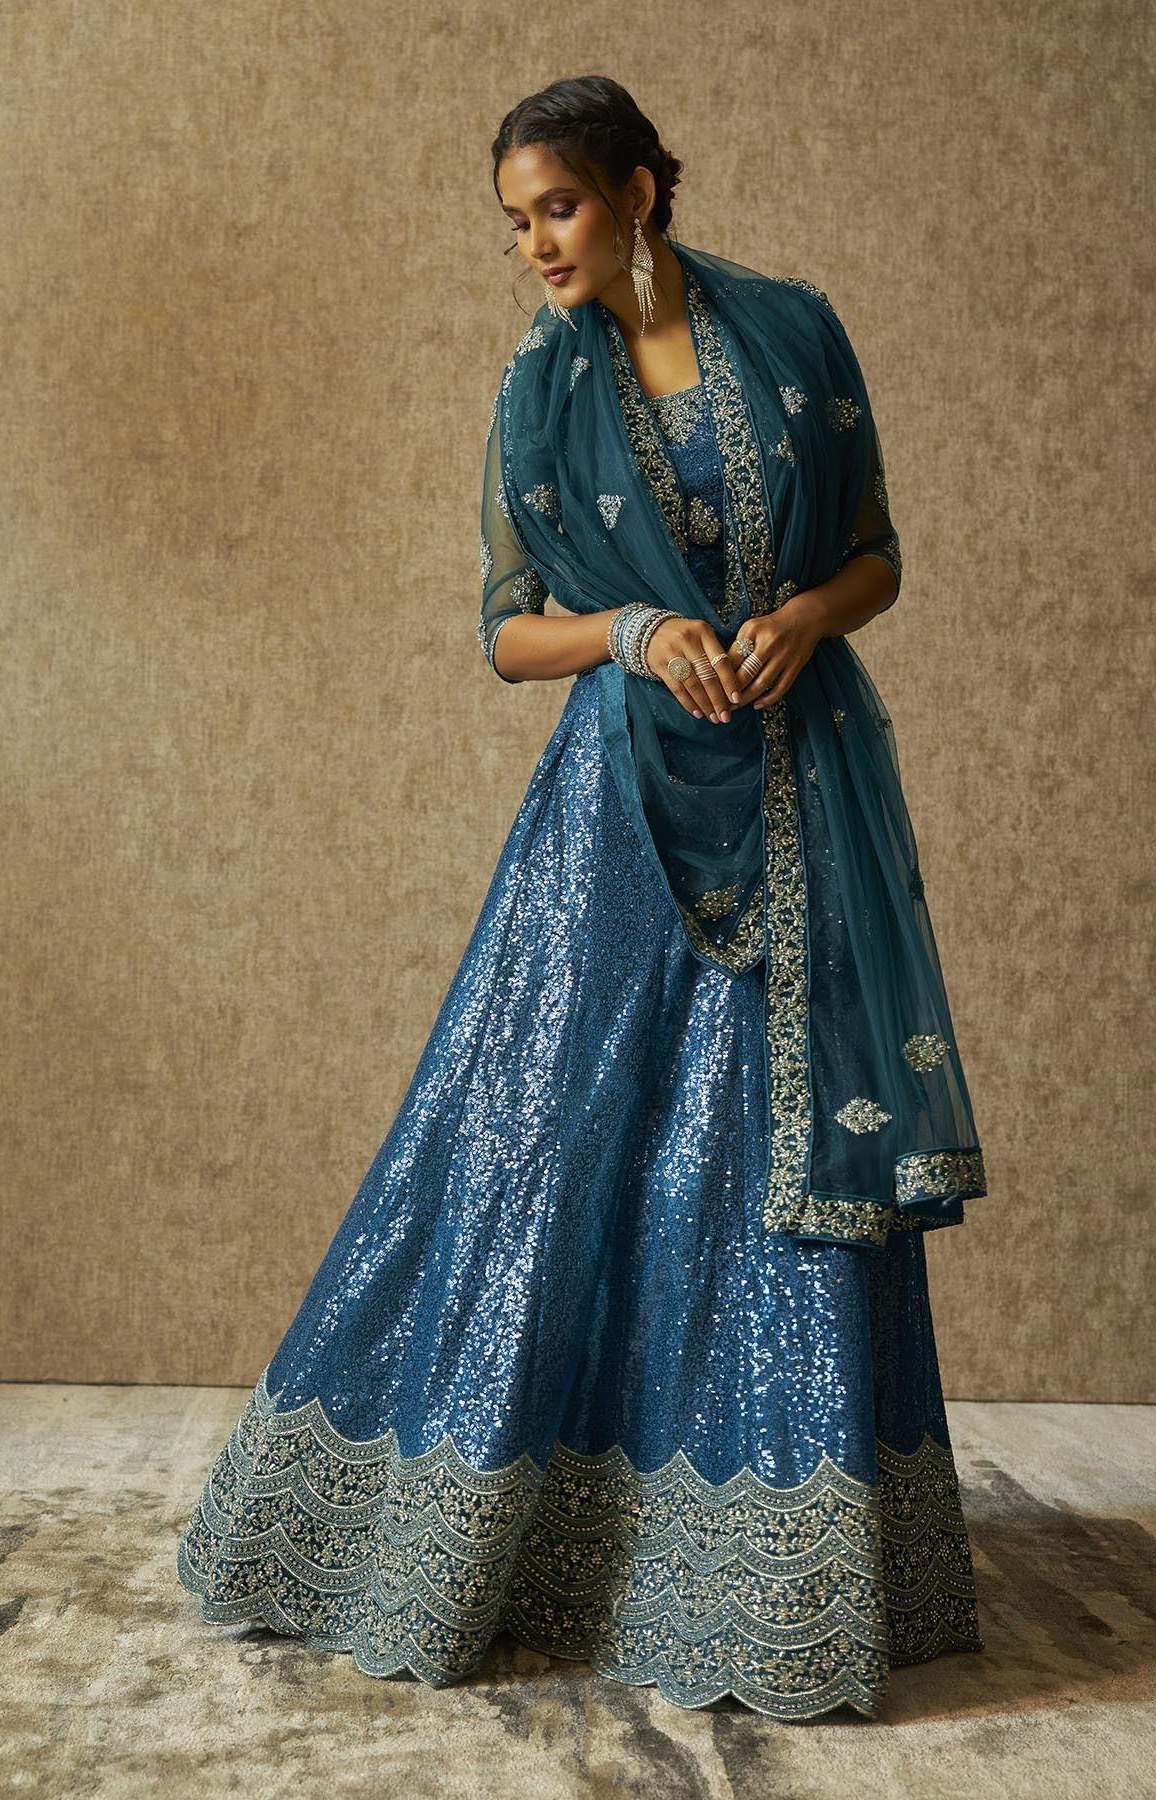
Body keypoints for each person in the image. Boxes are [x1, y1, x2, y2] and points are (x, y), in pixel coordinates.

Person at [176, 75, 989, 1722]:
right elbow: (503, 628)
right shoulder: (538, 388)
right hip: (618, 806)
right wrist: (630, 631)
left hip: (801, 793)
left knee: (775, 1151)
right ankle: (517, 1534)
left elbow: (880, 552)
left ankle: (775, 1568)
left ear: (637, 193)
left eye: (557, 207)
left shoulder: (793, 331)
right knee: (539, 1136)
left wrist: (807, 619)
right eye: (516, 221)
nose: (536, 245)